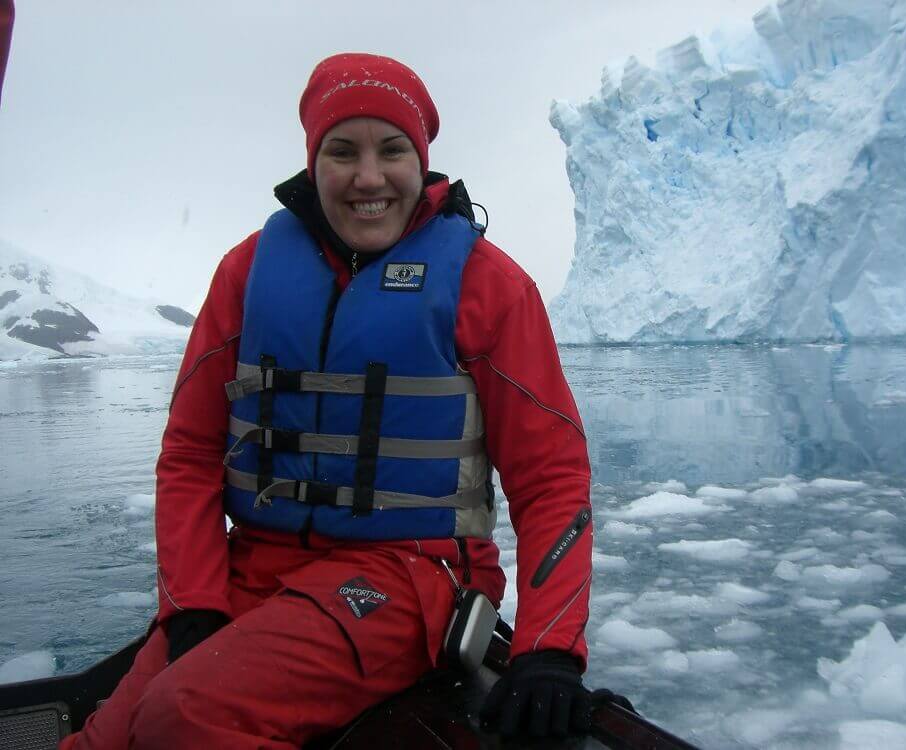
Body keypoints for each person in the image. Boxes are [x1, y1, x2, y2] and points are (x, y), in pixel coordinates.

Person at [61, 52, 594, 749]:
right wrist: (193, 606)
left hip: (409, 579)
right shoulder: (247, 273)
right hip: (256, 567)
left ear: (421, 159)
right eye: (343, 151)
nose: (368, 177)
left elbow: (550, 476)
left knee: (186, 715)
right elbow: (192, 453)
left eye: (392, 150)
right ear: (313, 160)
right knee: (105, 739)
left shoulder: (487, 286)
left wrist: (550, 649)